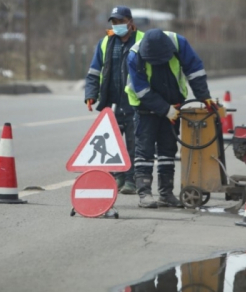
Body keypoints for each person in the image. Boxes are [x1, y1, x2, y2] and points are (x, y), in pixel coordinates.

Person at [125, 28, 216, 208]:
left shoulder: (179, 43)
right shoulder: (134, 55)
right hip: (145, 108)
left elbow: (194, 70)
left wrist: (203, 95)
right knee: (145, 150)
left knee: (168, 149)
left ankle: (166, 194)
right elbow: (142, 90)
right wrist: (166, 110)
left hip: (173, 104)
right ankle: (144, 193)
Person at [84, 6, 144, 194]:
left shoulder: (143, 40)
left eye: (121, 21)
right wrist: (91, 94)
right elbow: (94, 71)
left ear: (130, 22)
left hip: (135, 103)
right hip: (111, 103)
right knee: (111, 144)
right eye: (114, 22)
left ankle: (131, 180)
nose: (117, 25)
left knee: (134, 144)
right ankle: (117, 176)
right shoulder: (105, 43)